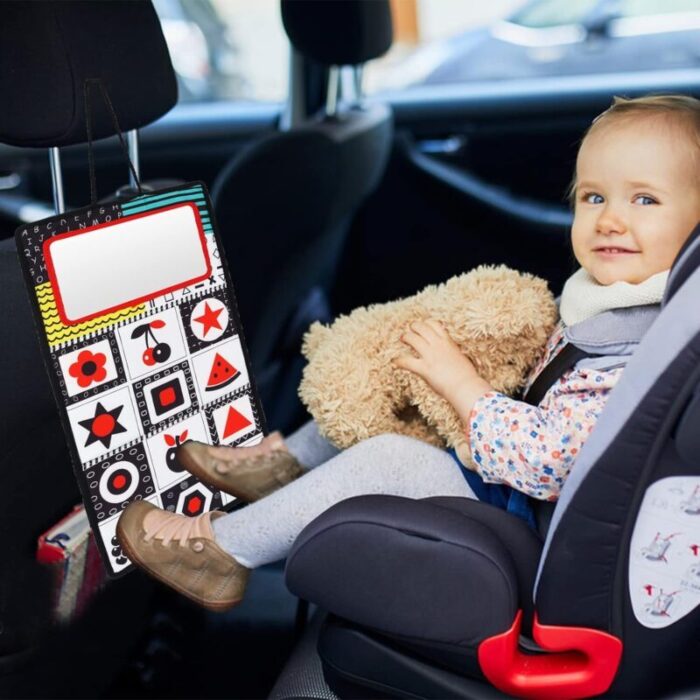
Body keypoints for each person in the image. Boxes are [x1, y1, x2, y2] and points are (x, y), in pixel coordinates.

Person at [117, 94, 700, 611]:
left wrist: (464, 386)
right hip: (517, 470)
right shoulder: (620, 307)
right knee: (396, 383)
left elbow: (551, 461)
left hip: (544, 531)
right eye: (593, 196)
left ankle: (222, 553)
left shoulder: (640, 348)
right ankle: (285, 468)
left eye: (645, 200)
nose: (610, 219)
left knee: (392, 456)